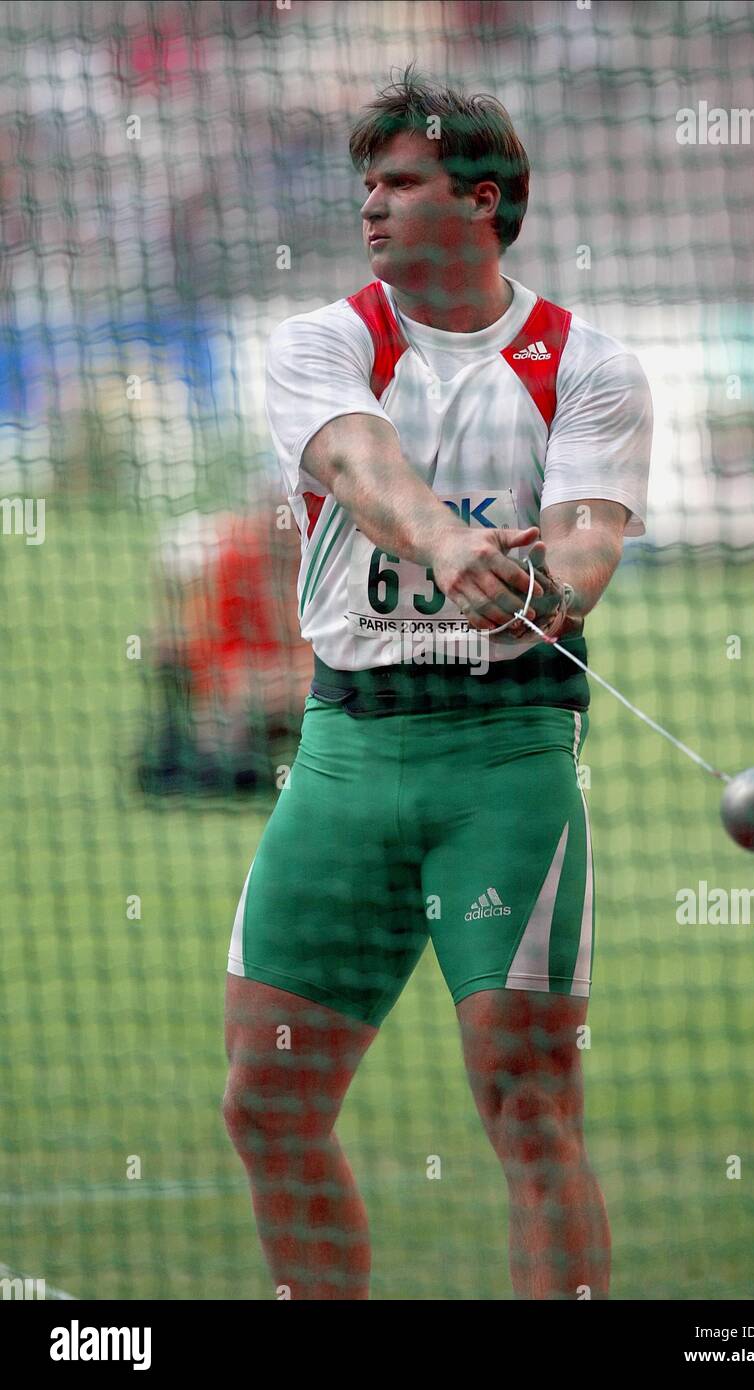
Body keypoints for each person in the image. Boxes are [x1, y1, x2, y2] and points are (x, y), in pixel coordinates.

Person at [222, 65, 652, 1299]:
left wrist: (546, 590)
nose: (371, 204)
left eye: (399, 181)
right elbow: (357, 463)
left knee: (526, 1105)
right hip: (346, 749)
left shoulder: (586, 363)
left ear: (481, 202)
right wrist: (448, 542)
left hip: (504, 754)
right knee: (265, 1101)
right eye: (365, 182)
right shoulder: (322, 341)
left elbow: (585, 535)